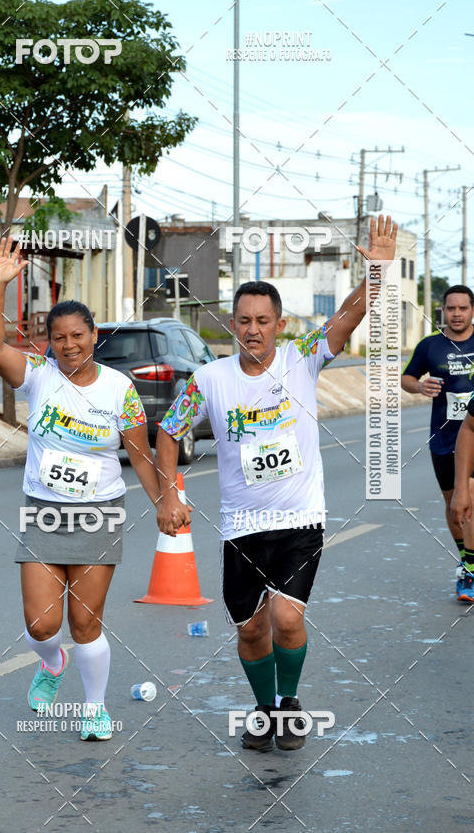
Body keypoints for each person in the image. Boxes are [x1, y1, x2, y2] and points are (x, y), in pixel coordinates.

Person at [156, 215, 398, 752]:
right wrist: (169, 492)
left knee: (287, 618)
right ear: (232, 323)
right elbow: (169, 433)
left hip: (299, 519)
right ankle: (264, 709)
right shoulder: (209, 380)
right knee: (250, 629)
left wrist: (378, 271)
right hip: (242, 526)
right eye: (244, 320)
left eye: (263, 321)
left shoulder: (301, 358)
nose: (253, 330)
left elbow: (350, 313)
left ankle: (289, 703)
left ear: (279, 323)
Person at [0, 236, 177, 741]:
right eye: (59, 337)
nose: (69, 345)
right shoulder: (38, 376)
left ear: (93, 336)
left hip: (98, 513)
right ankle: (52, 664)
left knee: (86, 623)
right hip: (44, 511)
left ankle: (94, 709)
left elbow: (140, 455)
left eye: (78, 335)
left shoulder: (119, 388)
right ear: (49, 342)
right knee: (42, 626)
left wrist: (165, 503)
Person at [401, 285, 474, 601]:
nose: (456, 314)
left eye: (463, 308)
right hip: (444, 438)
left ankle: (470, 570)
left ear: (472, 311)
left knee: (469, 498)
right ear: (443, 310)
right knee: (453, 505)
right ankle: (466, 557)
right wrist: (420, 386)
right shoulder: (430, 345)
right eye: (451, 308)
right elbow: (406, 378)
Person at [448, 397, 474, 599]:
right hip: (443, 441)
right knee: (471, 492)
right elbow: (470, 427)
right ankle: (471, 569)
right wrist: (461, 487)